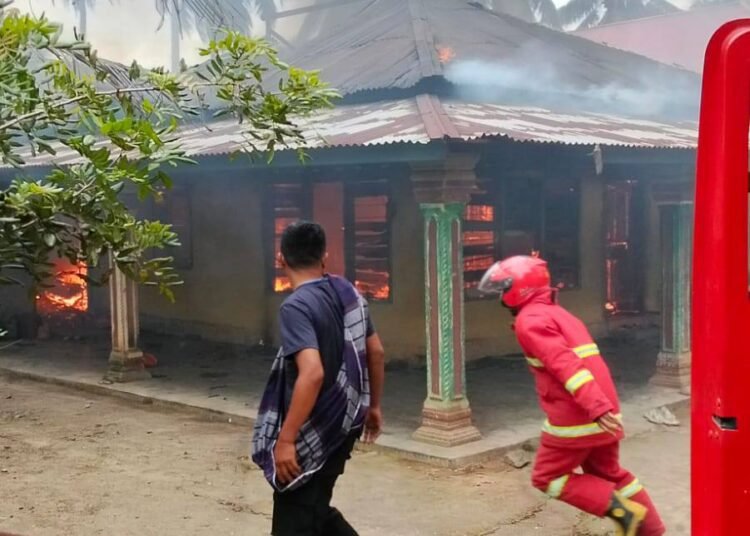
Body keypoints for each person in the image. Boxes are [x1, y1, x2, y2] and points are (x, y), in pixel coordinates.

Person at [478, 255, 665, 536]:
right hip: (605, 409)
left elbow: (567, 366)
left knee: (547, 477)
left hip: (579, 415)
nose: (501, 297)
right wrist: (603, 408)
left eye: (504, 289)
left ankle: (622, 514)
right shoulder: (559, 314)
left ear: (520, 288)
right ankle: (649, 530)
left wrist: (595, 407)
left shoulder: (531, 321)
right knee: (610, 473)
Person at [252, 221, 385, 536]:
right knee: (313, 510)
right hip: (346, 422)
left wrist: (285, 440)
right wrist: (374, 407)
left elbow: (312, 373)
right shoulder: (346, 291)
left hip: (315, 427)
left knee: (296, 515)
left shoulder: (296, 306)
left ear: (280, 259)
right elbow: (376, 352)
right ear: (325, 256)